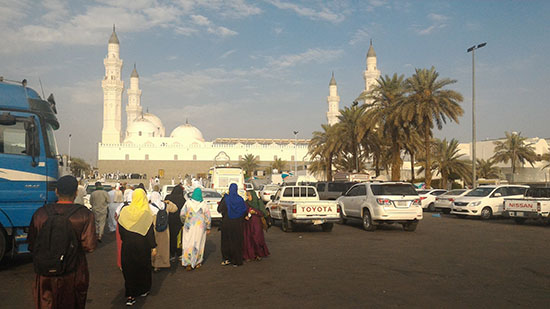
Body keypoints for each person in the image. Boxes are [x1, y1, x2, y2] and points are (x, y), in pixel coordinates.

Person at [28, 175, 97, 308]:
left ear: (56, 191)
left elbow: (32, 244)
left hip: (45, 273)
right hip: (73, 272)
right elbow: (89, 246)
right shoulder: (84, 214)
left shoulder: (40, 213)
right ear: (76, 193)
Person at [118, 189, 157, 306]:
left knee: (129, 269)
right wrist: (153, 246)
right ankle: (143, 289)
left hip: (128, 246)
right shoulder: (146, 212)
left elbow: (121, 231)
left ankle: (130, 295)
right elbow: (150, 233)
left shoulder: (124, 211)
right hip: (143, 247)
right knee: (143, 268)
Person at [180, 188, 211, 270]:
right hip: (199, 228)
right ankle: (197, 262)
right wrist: (208, 227)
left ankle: (188, 263)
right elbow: (208, 217)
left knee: (188, 243)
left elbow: (182, 214)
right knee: (199, 244)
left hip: (189, 226)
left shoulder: (188, 203)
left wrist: (184, 221)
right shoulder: (204, 204)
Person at [217, 183, 247, 266]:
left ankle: (227, 258)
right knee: (237, 241)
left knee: (226, 241)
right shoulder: (240, 200)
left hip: (227, 223)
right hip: (238, 224)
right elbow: (244, 210)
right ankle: (236, 260)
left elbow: (219, 209)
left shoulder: (226, 199)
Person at [149, 185, 178, 271]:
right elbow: (175, 209)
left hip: (154, 229)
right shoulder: (165, 205)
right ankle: (163, 263)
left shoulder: (149, 206)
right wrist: (169, 202)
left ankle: (155, 264)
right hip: (165, 229)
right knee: (163, 247)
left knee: (154, 246)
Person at [243, 190, 270, 261]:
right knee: (249, 239)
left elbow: (263, 212)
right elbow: (243, 212)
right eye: (247, 196)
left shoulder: (258, 202)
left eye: (249, 196)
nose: (248, 197)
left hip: (256, 223)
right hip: (248, 224)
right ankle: (250, 255)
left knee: (257, 238)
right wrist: (245, 216)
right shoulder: (246, 203)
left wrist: (255, 212)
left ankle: (259, 254)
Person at [165, 185, 185, 261]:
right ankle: (179, 253)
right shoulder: (182, 199)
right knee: (178, 238)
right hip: (178, 221)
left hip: (169, 220)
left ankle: (172, 253)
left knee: (170, 237)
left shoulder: (168, 197)